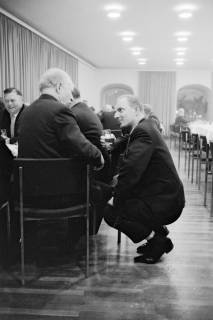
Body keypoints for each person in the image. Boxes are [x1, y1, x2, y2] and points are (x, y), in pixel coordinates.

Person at [18, 68, 109, 252]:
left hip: (28, 193)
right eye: (69, 89)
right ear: (59, 86)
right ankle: (70, 244)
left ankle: (59, 240)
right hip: (59, 195)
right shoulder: (59, 110)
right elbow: (82, 146)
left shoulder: (27, 112)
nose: (70, 97)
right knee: (102, 191)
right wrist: (99, 157)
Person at [104, 95, 185, 264]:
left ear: (137, 110)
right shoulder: (146, 125)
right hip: (165, 196)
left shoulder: (143, 131)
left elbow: (130, 172)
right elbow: (128, 140)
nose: (116, 115)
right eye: (115, 111)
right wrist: (113, 146)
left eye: (121, 110)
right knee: (120, 199)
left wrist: (115, 199)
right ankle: (157, 234)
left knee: (109, 211)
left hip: (165, 201)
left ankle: (157, 240)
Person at [70, 87, 111, 183]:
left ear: (70, 98)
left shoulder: (73, 113)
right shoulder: (85, 109)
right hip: (102, 163)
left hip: (94, 169)